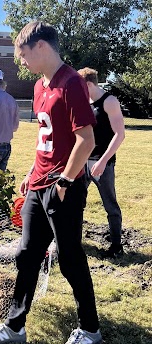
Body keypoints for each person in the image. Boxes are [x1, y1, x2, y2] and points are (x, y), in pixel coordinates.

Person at [0, 21, 101, 344]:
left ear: (42, 46)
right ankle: (14, 327)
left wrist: (64, 180)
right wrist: (33, 171)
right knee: (27, 254)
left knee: (70, 258)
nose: (22, 61)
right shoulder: (38, 86)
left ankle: (89, 328)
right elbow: (47, 138)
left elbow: (85, 141)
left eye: (25, 53)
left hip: (64, 186)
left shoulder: (72, 83)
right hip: (38, 183)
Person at [78, 67, 125, 258]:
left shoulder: (110, 101)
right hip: (82, 161)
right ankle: (74, 239)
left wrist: (103, 161)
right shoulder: (84, 102)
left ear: (89, 84)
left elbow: (120, 135)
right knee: (76, 202)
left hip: (102, 163)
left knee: (110, 205)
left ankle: (116, 246)